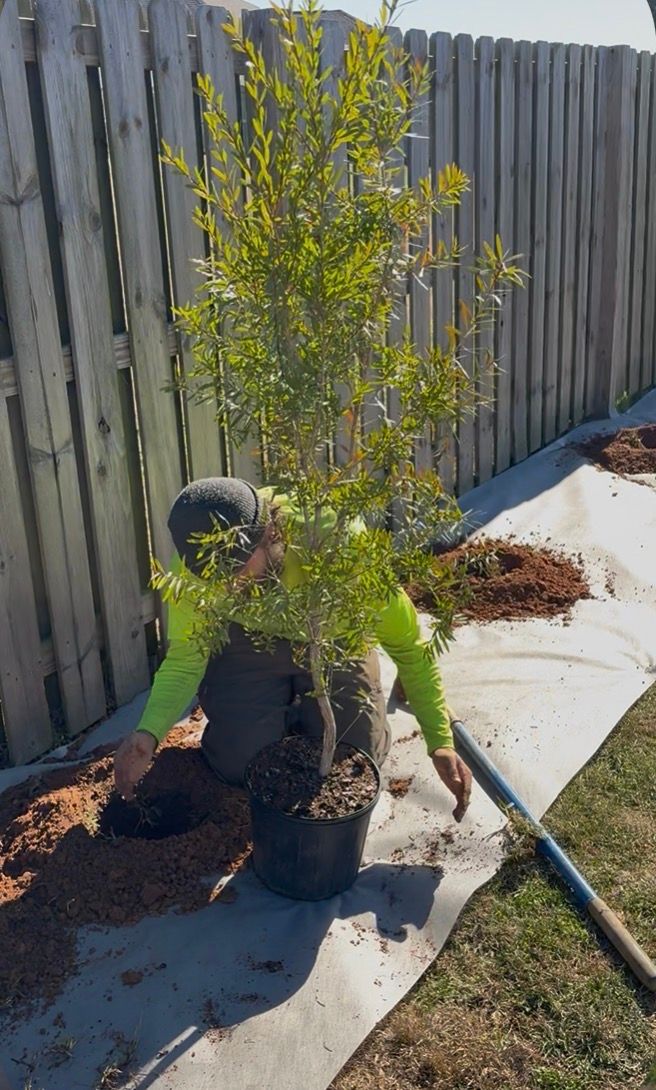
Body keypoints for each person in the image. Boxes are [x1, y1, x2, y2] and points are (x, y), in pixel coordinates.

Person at [114, 478, 472, 821]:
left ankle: (311, 709)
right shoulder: (193, 567)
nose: (228, 582)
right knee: (240, 763)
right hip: (251, 640)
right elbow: (185, 658)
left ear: (271, 532)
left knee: (356, 759)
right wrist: (148, 733)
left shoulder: (338, 544)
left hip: (333, 638)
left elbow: (409, 646)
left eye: (237, 566)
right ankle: (275, 709)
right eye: (214, 576)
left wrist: (439, 742)